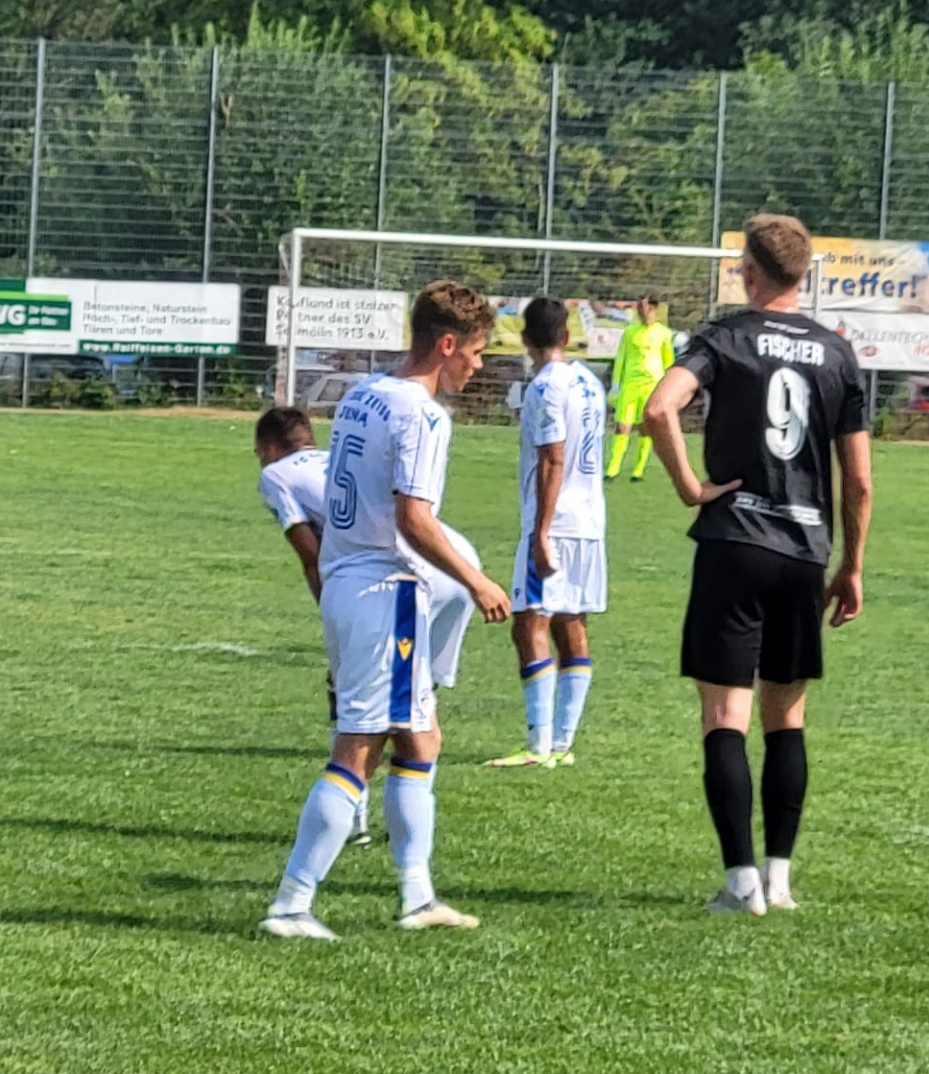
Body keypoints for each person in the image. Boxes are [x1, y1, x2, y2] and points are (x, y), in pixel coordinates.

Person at [260, 282, 511, 941]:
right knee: (359, 749)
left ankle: (417, 896)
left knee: (421, 738)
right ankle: (291, 904)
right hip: (385, 590)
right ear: (448, 344)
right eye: (476, 352)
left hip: (346, 581)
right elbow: (414, 519)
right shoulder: (423, 415)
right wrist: (477, 581)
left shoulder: (362, 393)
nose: (478, 366)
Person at [642, 214, 872, 917]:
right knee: (786, 716)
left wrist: (690, 486)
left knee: (724, 714)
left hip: (735, 542)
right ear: (802, 274)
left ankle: (740, 884)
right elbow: (860, 482)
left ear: (749, 272)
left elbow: (659, 408)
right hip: (805, 550)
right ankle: (780, 879)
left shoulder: (724, 336)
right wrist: (852, 565)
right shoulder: (837, 352)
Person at [254, 405, 492, 850]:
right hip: (457, 561)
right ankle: (410, 826)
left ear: (267, 448)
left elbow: (311, 556)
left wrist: (337, 623)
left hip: (408, 575)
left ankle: (355, 821)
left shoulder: (275, 475)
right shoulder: (337, 458)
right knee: (419, 702)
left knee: (354, 698)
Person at [486, 298, 609, 769]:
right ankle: (562, 743)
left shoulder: (544, 386)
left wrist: (540, 531)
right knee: (571, 622)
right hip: (590, 521)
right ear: (566, 335)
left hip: (555, 523)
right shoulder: (589, 382)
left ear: (525, 337)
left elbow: (552, 457)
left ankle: (539, 745)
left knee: (529, 623)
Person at [605, 295, 675, 482]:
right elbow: (621, 358)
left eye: (644, 309)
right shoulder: (630, 332)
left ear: (653, 309)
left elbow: (668, 362)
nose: (642, 313)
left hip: (652, 385)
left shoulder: (664, 333)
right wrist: (616, 384)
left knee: (645, 428)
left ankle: (638, 469)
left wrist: (667, 387)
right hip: (630, 385)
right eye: (639, 310)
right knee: (622, 426)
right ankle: (613, 469)